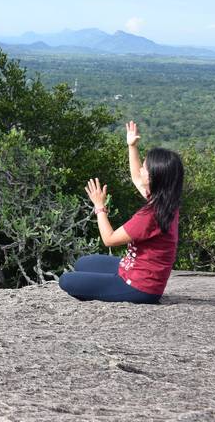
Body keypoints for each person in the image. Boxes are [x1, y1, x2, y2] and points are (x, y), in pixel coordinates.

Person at [59, 120, 184, 304]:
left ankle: (114, 290)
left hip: (138, 287)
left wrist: (99, 207)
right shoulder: (166, 202)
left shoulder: (150, 216)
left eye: (145, 168)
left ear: (155, 178)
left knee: (66, 281)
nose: (141, 169)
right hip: (135, 270)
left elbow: (109, 239)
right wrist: (131, 146)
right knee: (82, 263)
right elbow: (136, 178)